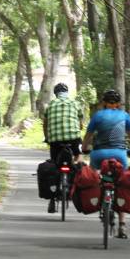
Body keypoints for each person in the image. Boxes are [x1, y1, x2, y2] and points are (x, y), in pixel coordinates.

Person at [82, 89, 130, 238]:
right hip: (119, 155)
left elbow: (88, 136)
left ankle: (97, 199)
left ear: (103, 103)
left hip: (99, 154)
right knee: (122, 183)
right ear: (119, 104)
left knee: (93, 177)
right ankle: (122, 225)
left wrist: (84, 148)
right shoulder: (124, 116)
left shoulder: (98, 116)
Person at [42, 82, 83, 213]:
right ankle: (76, 171)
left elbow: (45, 124)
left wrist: (47, 138)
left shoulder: (50, 105)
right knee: (78, 156)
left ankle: (52, 199)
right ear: (67, 92)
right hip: (73, 138)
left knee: (54, 164)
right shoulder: (75, 104)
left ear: (56, 94)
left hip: (55, 140)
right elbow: (81, 124)